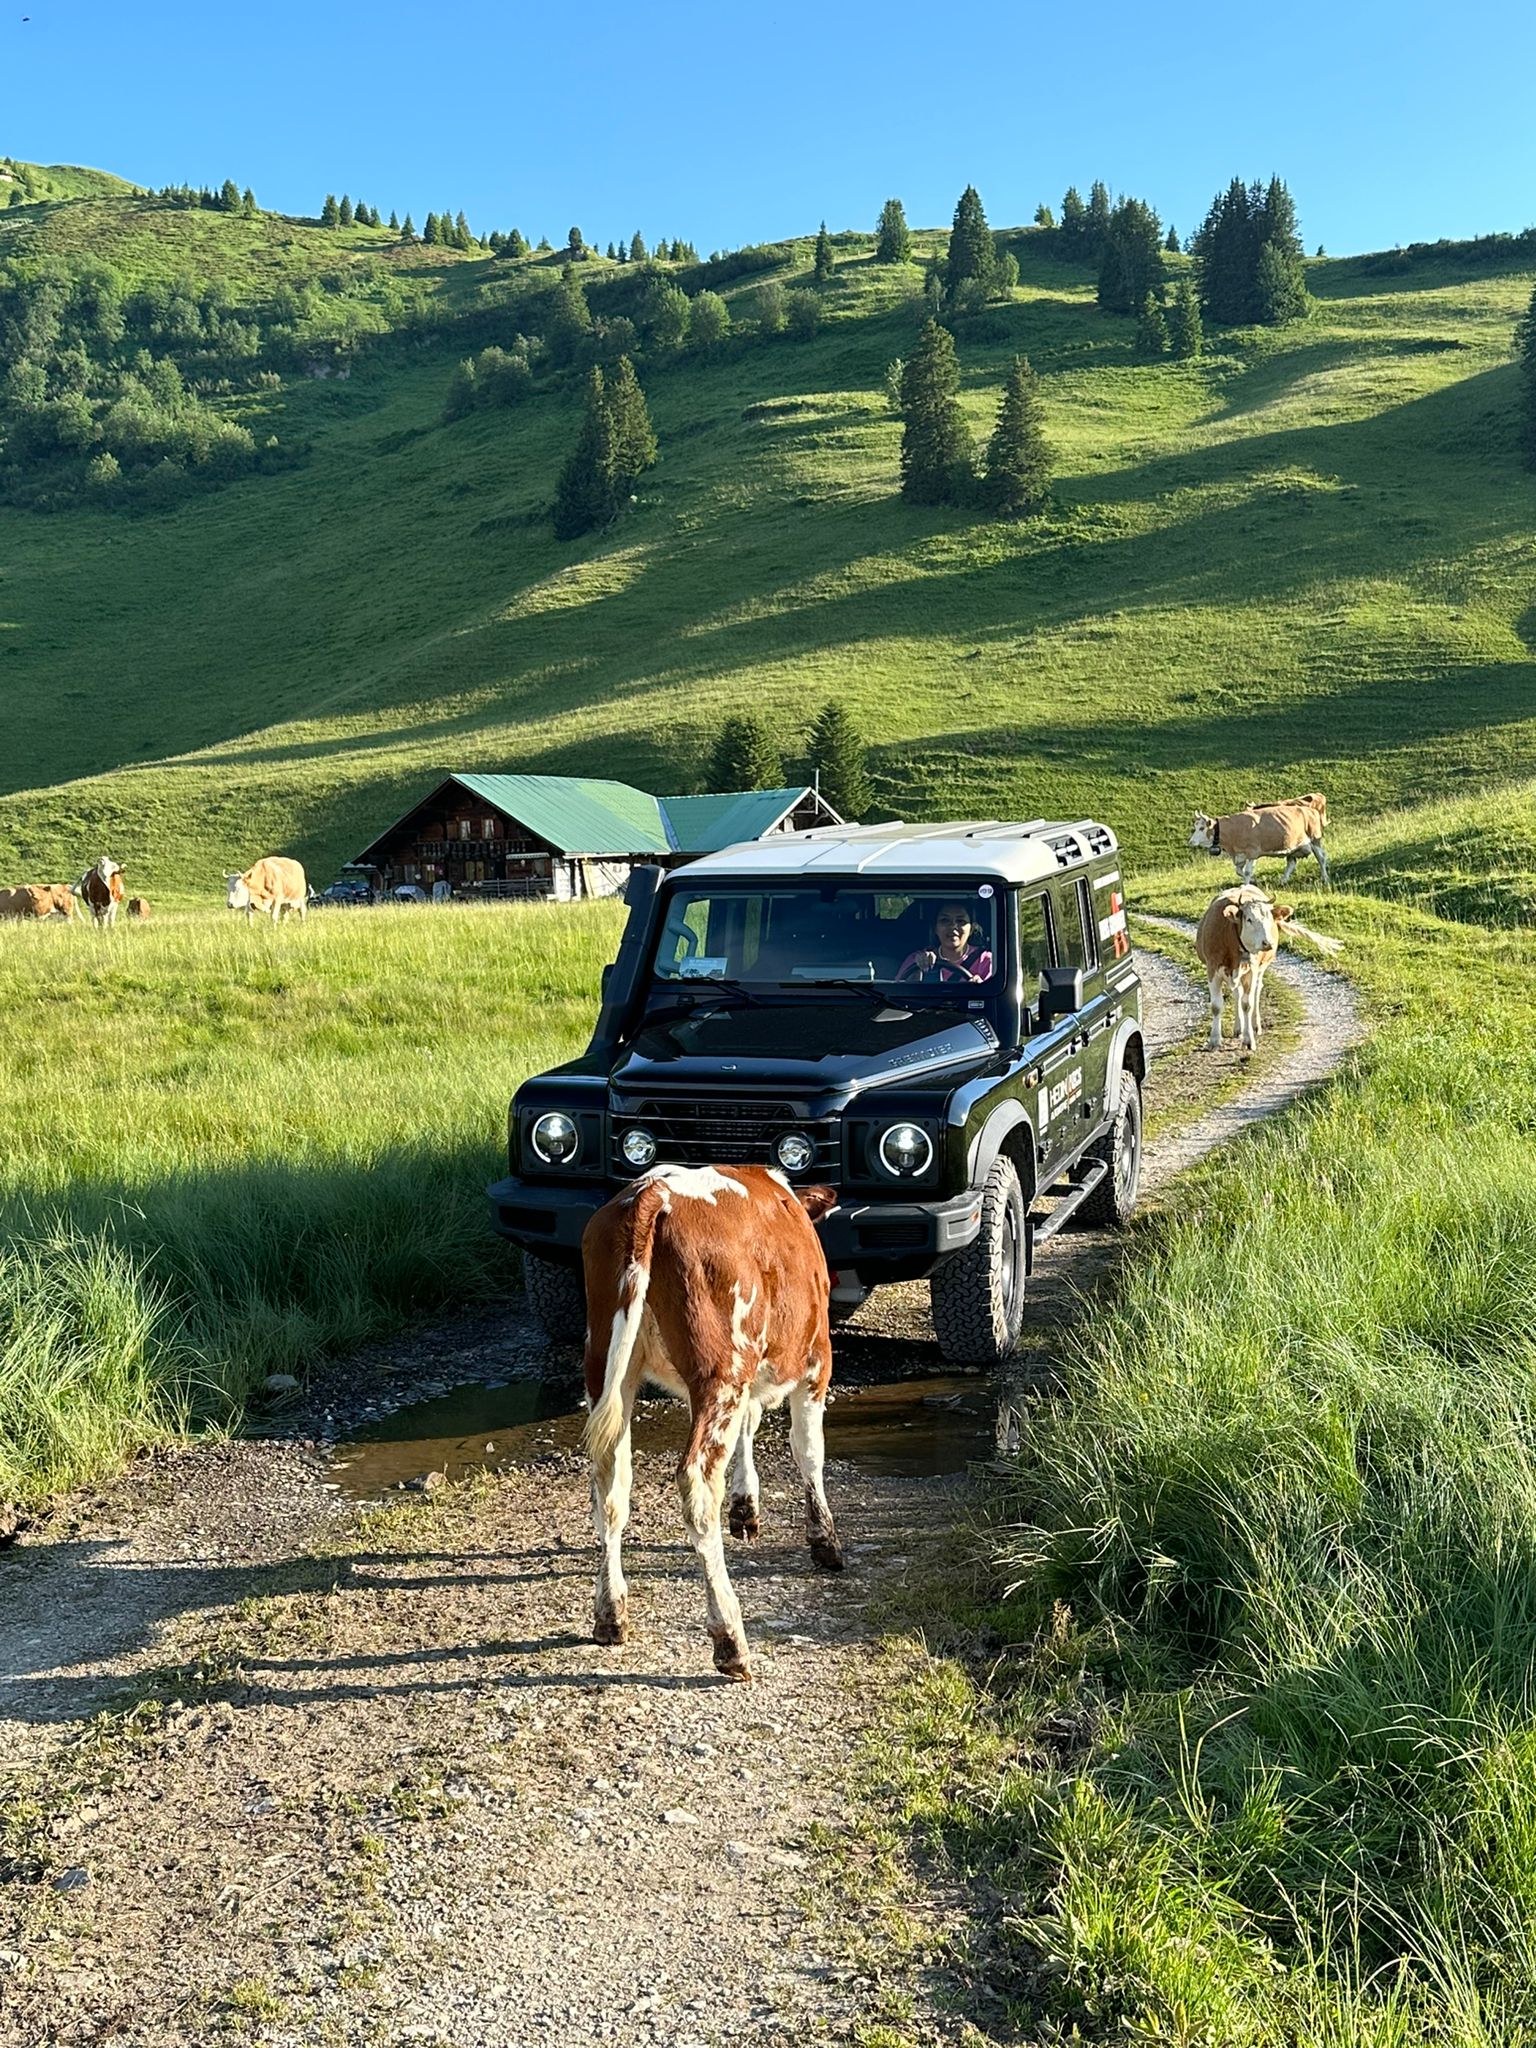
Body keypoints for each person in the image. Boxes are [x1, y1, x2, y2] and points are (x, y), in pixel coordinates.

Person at [896, 902, 993, 984]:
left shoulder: (986, 961)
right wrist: (916, 976)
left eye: (960, 921)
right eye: (945, 920)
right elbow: (897, 995)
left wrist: (981, 989)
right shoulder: (917, 959)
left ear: (971, 929)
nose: (953, 926)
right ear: (935, 928)